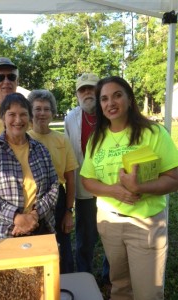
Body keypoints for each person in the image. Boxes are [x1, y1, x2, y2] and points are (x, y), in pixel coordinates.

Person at [80, 76, 178, 300]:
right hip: (110, 223)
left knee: (147, 293)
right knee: (120, 287)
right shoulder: (97, 138)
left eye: (117, 95)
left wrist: (140, 186)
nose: (110, 103)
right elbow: (87, 180)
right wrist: (114, 191)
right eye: (104, 99)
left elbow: (174, 178)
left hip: (145, 224)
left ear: (129, 99)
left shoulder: (153, 133)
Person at [0, 93, 59, 240]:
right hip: (1, 232)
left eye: (23, 114)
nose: (18, 120)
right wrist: (16, 218)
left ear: (30, 118)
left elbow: (54, 185)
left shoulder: (40, 150)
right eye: (11, 114)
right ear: (2, 118)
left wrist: (35, 214)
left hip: (39, 227)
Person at [64, 73, 110, 281]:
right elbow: (67, 153)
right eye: (83, 89)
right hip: (84, 187)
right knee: (85, 235)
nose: (87, 93)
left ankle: (110, 275)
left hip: (110, 187)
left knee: (111, 234)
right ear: (77, 94)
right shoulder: (71, 118)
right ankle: (84, 275)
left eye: (91, 88)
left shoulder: (110, 114)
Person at [28, 89, 79, 274]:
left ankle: (65, 282)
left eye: (46, 109)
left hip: (58, 197)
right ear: (30, 112)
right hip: (30, 200)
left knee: (62, 246)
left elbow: (71, 178)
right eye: (37, 109)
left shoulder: (62, 139)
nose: (42, 113)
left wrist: (68, 211)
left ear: (52, 113)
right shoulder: (23, 138)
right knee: (33, 247)